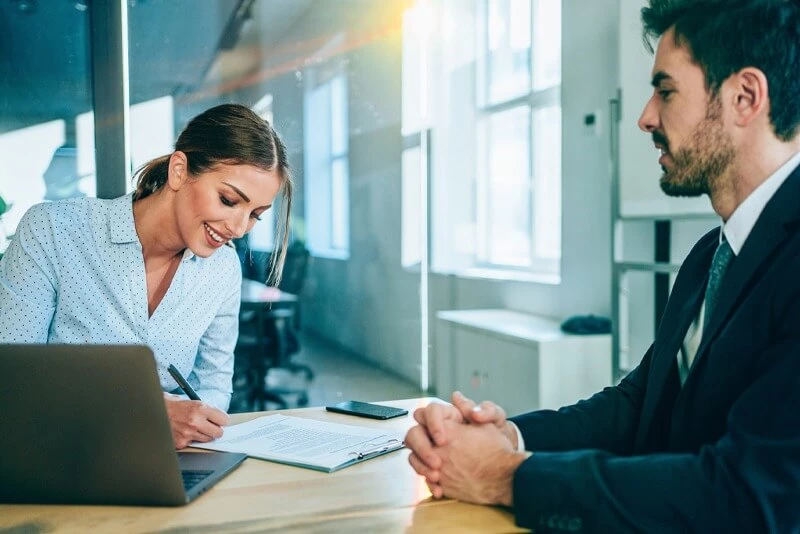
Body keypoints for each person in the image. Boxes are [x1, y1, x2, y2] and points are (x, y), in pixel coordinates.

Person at [405, 0, 800, 531]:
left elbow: (749, 497)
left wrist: (504, 475)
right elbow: (641, 406)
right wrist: (508, 439)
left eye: (665, 90)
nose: (645, 117)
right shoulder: (713, 253)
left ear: (744, 97)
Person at [0, 103, 293, 449]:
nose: (239, 228)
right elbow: (12, 381)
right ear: (180, 171)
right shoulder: (53, 230)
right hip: (60, 454)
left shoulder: (223, 269)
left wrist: (197, 423)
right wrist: (143, 415)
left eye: (255, 214)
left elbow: (213, 385)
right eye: (229, 200)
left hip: (171, 461)